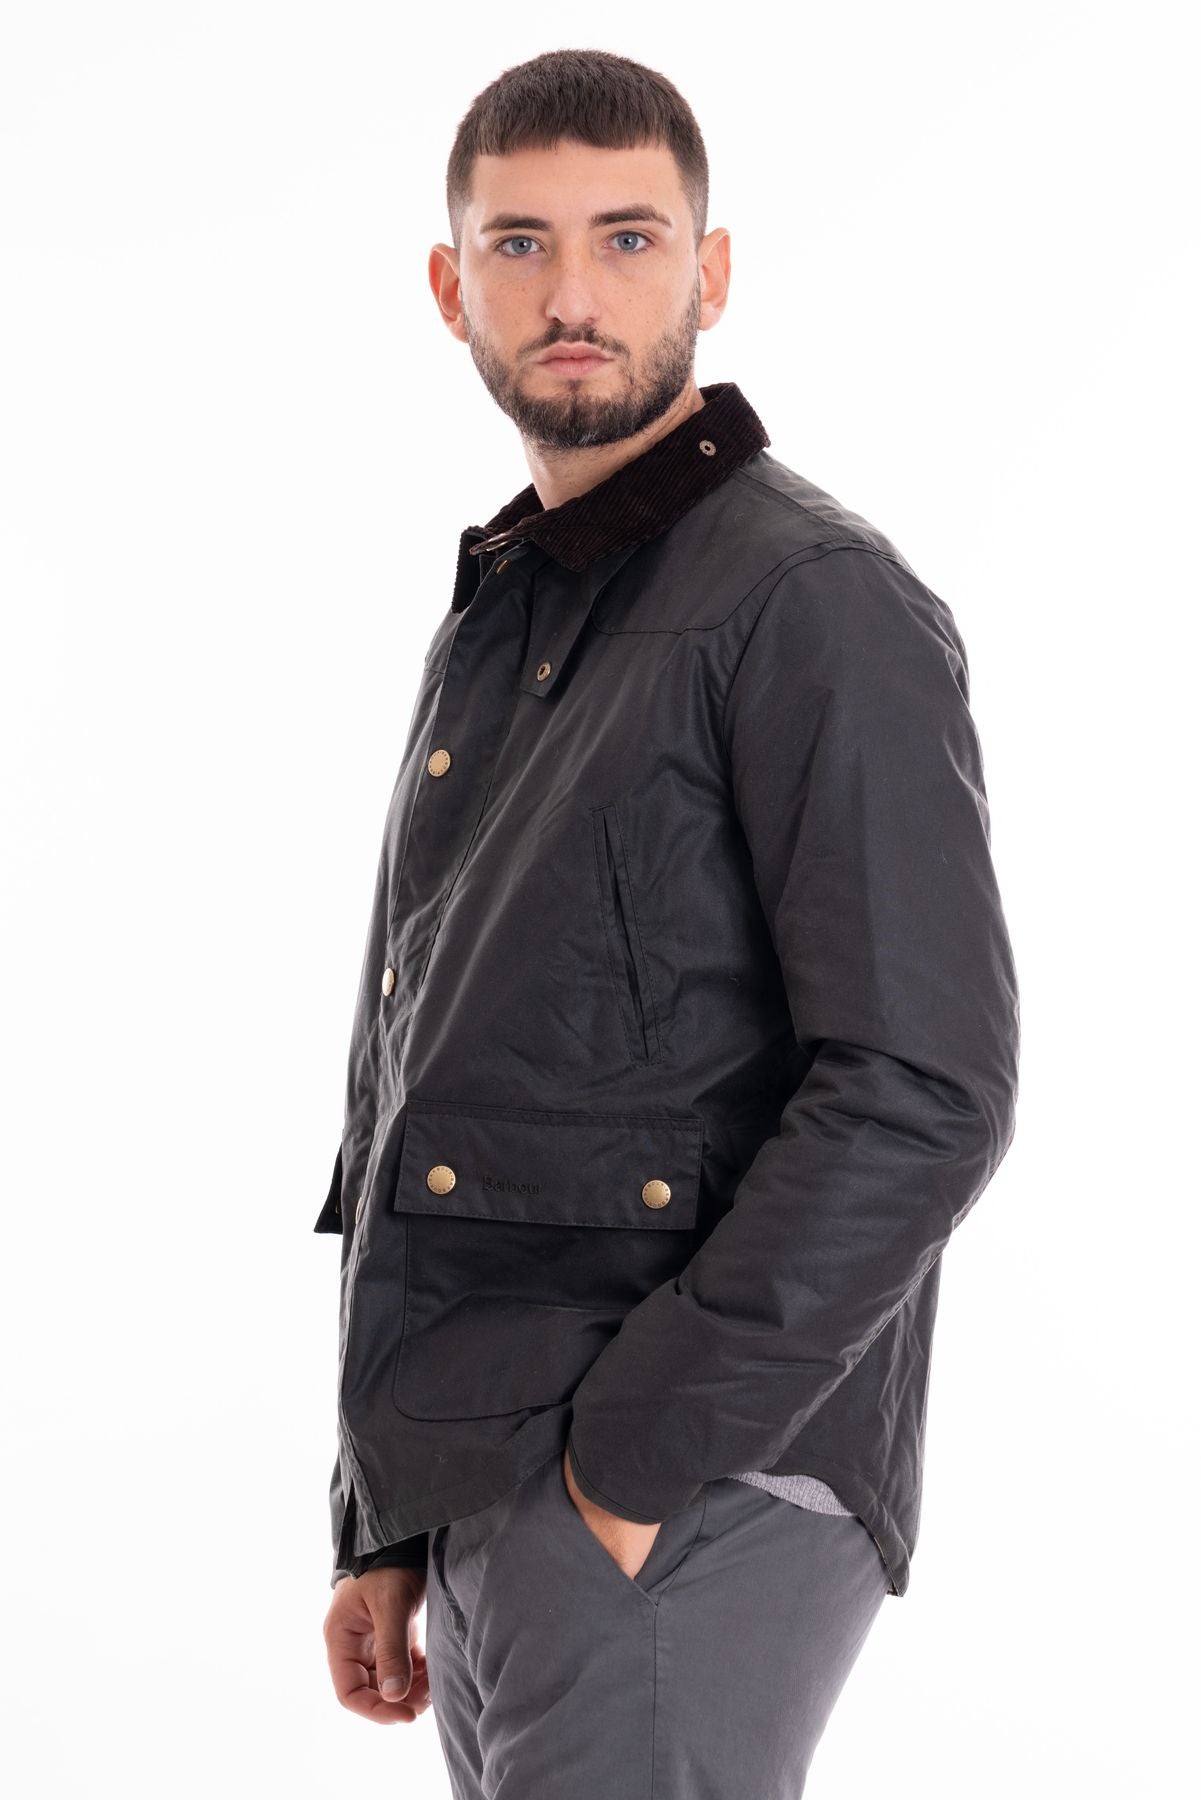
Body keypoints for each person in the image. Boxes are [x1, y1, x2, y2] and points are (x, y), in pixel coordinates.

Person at [316, 46, 1021, 1799]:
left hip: (677, 1483)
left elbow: (922, 1089)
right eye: (521, 244)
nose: (573, 296)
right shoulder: (508, 615)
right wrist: (386, 1512)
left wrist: (632, 1465)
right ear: (450, 286)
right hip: (507, 1476)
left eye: (627, 239)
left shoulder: (809, 599)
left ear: (708, 271)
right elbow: (418, 1074)